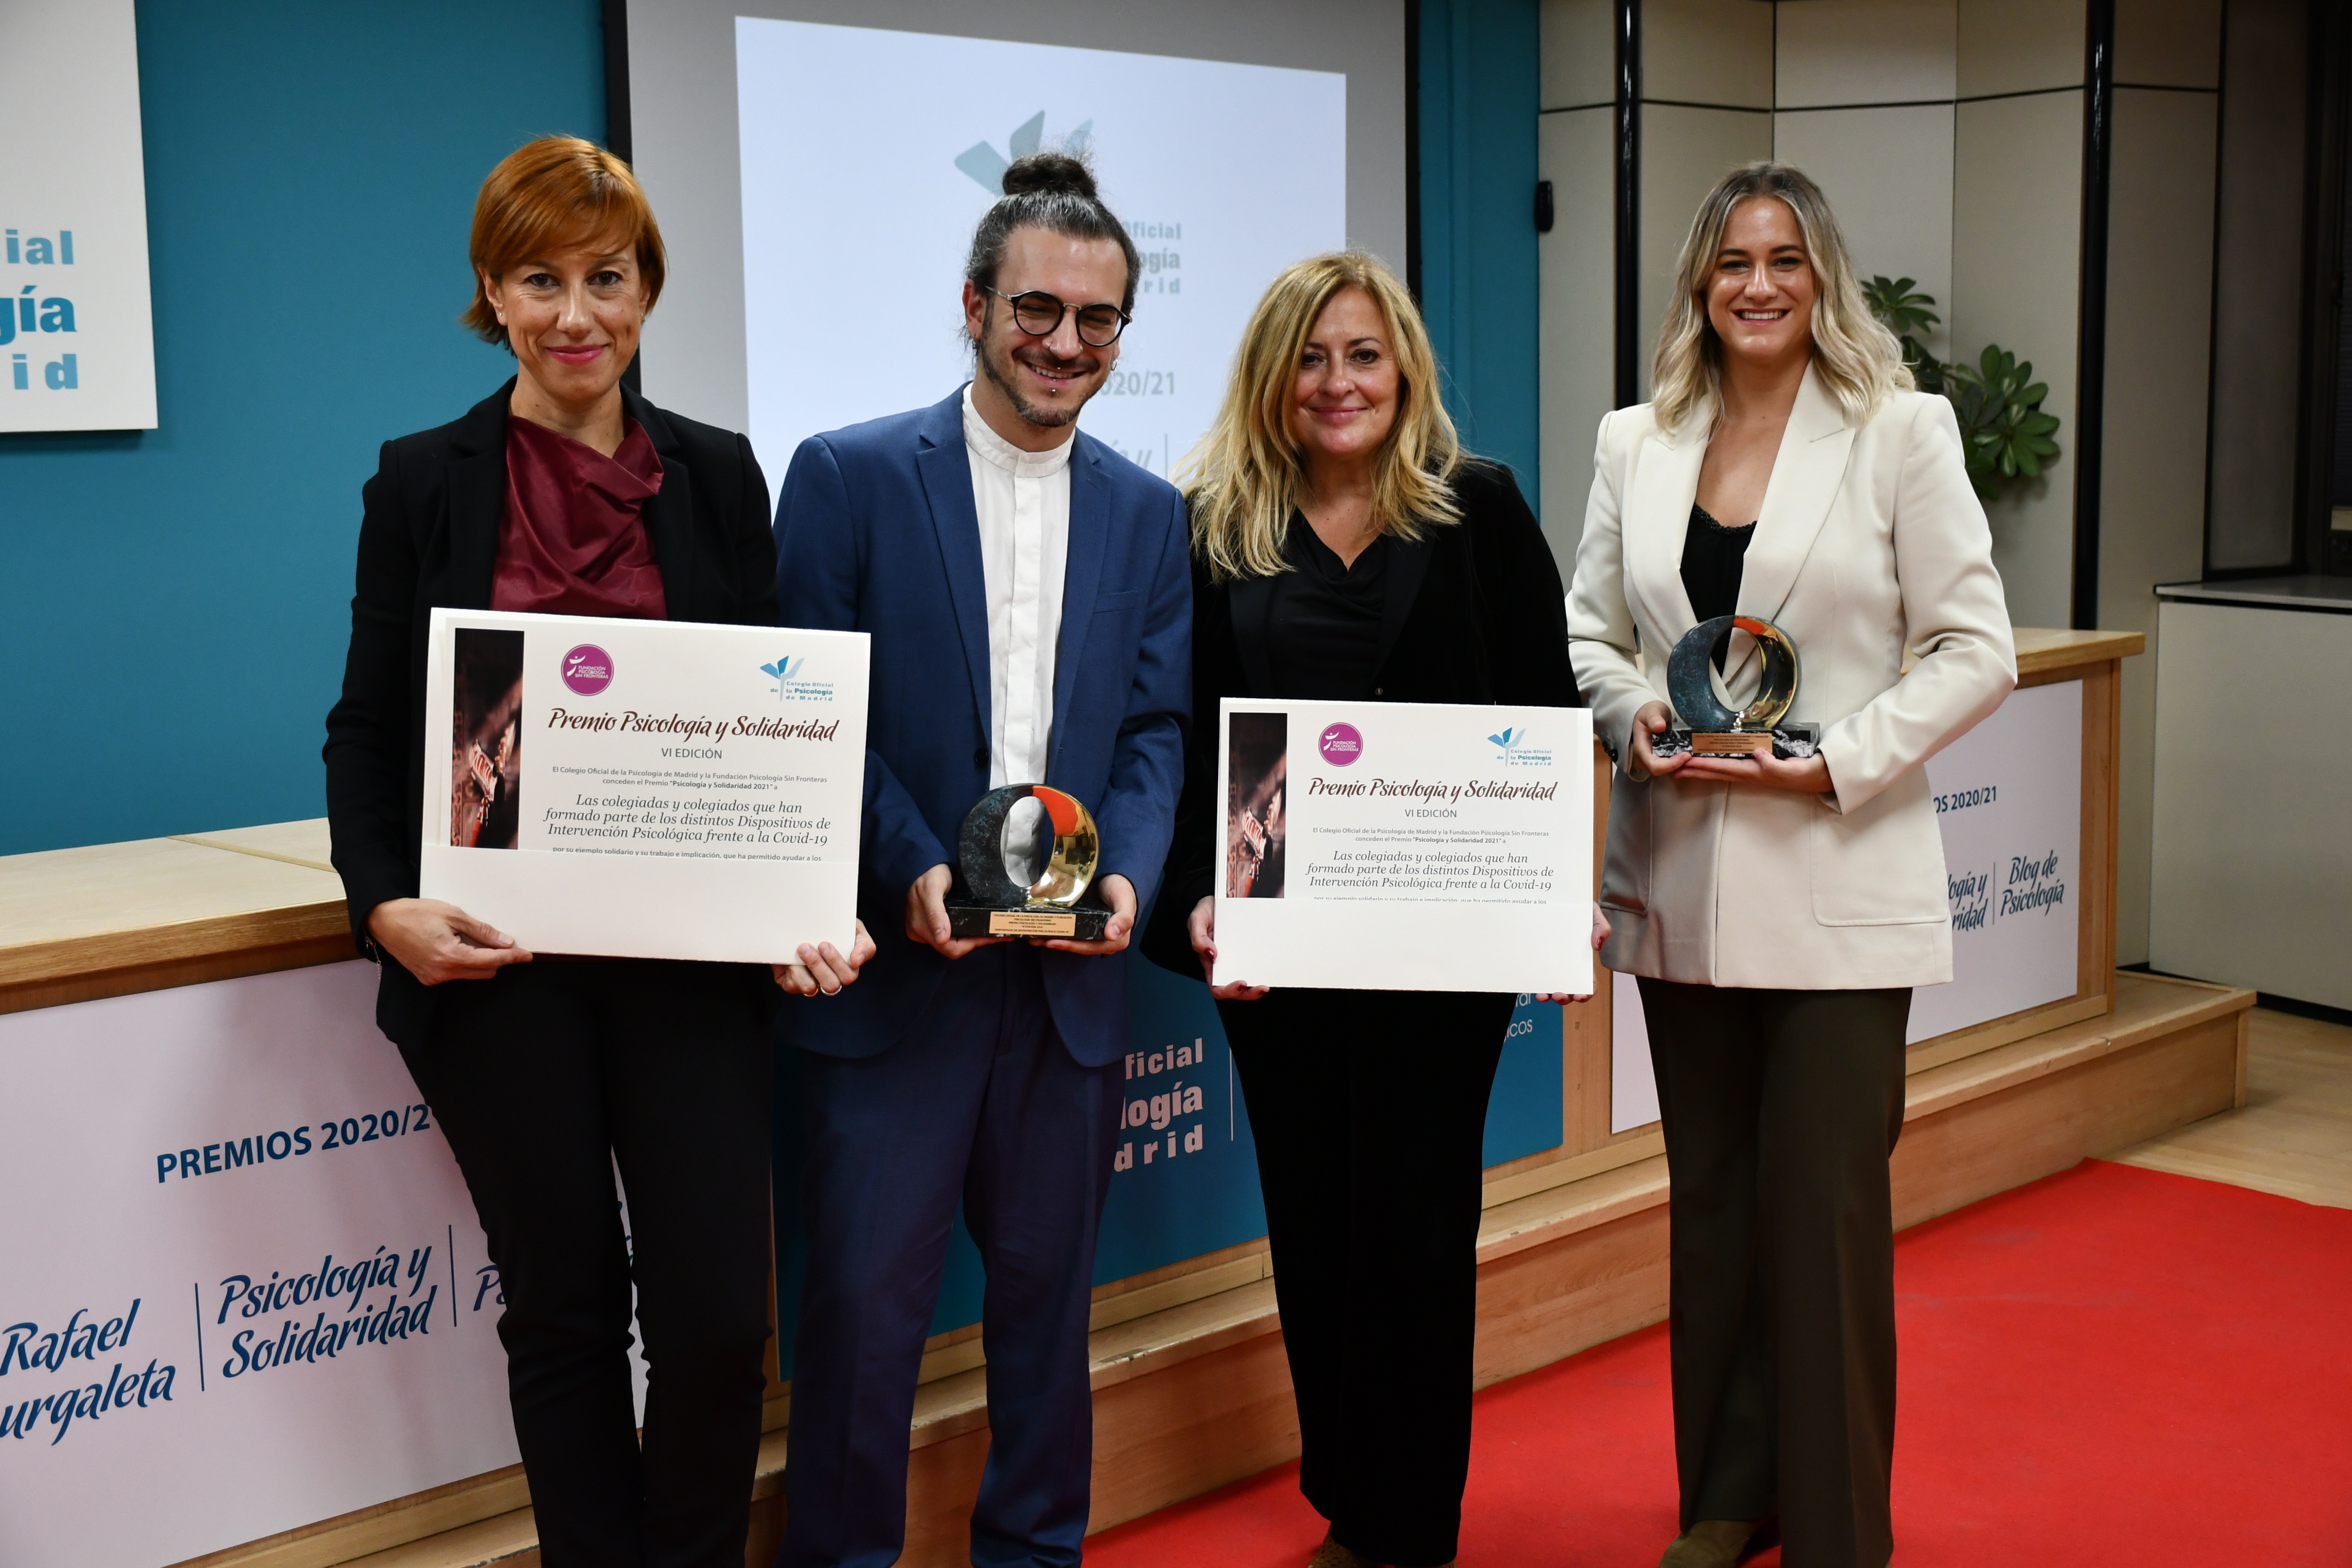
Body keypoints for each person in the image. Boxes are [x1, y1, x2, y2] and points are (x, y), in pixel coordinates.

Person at [322, 136, 870, 1568]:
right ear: (491, 296)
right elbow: (370, 731)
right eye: (539, 280)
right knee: (563, 1306)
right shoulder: (422, 483)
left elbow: (777, 725)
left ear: (649, 289)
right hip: (501, 971)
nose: (577, 315)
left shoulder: (717, 476)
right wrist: (386, 907)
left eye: (606, 279)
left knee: (714, 1319)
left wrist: (813, 905)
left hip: (687, 967)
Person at [1566, 162, 2015, 1568]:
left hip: (1835, 882)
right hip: (1683, 885)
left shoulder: (1900, 430)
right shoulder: (1635, 440)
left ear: (1824, 278)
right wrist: (1633, 716)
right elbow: (1588, 635)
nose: (1758, 285)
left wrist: (1835, 755)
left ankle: (1835, 1530)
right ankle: (1725, 1496)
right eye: (1732, 263)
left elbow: (1975, 651)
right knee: (1711, 1210)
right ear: (1699, 284)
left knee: (1819, 1220)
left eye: (1785, 261)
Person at [1141, 251, 1607, 1568]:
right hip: (1280, 961)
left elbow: (1545, 722)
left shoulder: (1482, 509)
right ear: (1270, 376)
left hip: (1441, 952)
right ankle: (1350, 1489)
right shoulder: (1210, 526)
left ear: (1403, 368)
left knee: (1415, 1234)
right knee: (1318, 1229)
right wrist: (1196, 910)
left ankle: (1406, 1528)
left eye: (1362, 354)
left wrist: (1556, 898)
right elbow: (1178, 749)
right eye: (1311, 356)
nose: (1337, 382)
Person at [768, 152, 1190, 1568]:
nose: (1066, 342)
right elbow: (812, 714)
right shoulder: (847, 475)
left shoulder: (1147, 511)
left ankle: (1034, 1555)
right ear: (974, 305)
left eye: (1099, 320)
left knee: (1044, 1320)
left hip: (1066, 996)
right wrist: (908, 866)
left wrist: (1128, 872)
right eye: (1037, 310)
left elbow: (1152, 726)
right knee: (864, 1328)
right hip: (902, 981)